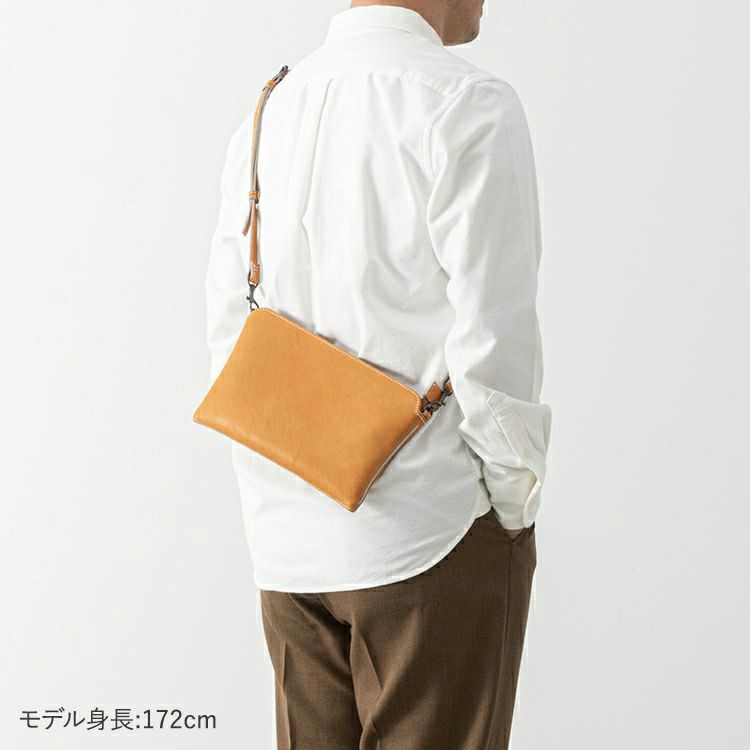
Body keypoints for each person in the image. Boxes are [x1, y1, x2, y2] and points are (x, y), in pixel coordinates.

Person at [204, 1, 551, 747]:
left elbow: (229, 325)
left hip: (288, 547)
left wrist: (276, 495)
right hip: (430, 533)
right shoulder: (468, 104)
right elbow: (495, 344)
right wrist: (508, 513)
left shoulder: (269, 109)